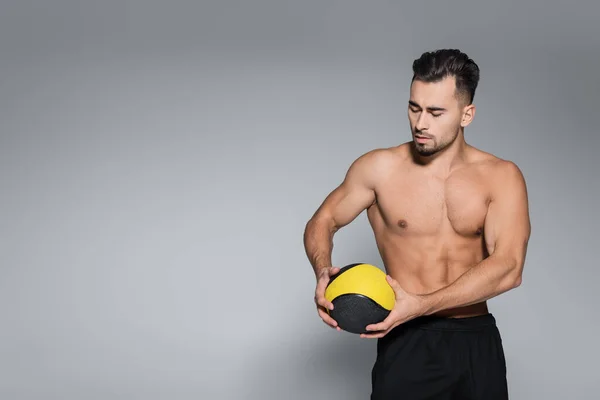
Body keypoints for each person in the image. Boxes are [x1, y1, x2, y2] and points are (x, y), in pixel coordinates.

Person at [303, 49, 531, 399]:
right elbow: (324, 219)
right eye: (414, 108)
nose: (421, 123)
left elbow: (509, 267)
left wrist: (423, 304)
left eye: (436, 112)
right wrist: (321, 270)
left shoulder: (501, 177)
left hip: (475, 340)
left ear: (466, 114)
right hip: (407, 339)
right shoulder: (379, 169)